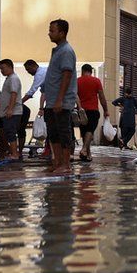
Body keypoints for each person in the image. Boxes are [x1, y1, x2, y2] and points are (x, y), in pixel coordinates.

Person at [41, 19, 78, 172]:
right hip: (51, 101)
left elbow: (67, 75)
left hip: (60, 101)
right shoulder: (57, 51)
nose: (49, 33)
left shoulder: (66, 51)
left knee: (63, 132)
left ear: (62, 33)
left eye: (52, 31)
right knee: (53, 133)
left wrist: (59, 99)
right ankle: (57, 162)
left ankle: (66, 164)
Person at [77, 64, 109, 162]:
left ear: (82, 71)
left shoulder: (77, 81)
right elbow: (102, 97)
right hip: (93, 110)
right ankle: (84, 150)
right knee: (90, 131)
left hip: (81, 110)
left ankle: (88, 154)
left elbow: (74, 95)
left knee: (84, 132)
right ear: (91, 71)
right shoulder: (96, 81)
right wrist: (106, 110)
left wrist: (78, 107)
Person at [0, 59, 24, 161]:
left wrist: (10, 109)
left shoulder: (13, 78)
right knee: (9, 132)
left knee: (11, 132)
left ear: (10, 67)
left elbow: (14, 94)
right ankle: (13, 153)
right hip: (7, 112)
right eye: (0, 69)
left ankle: (14, 154)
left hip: (13, 112)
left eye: (3, 68)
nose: (2, 71)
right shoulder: (9, 78)